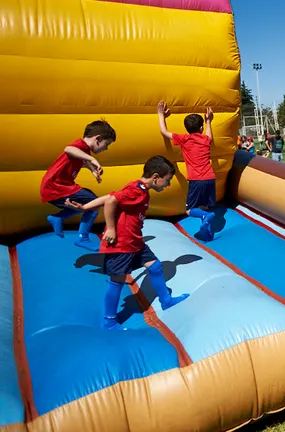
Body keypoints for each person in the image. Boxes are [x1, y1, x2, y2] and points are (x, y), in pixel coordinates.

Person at [68, 156, 189, 330]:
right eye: (167, 180)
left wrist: (85, 207)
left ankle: (166, 300)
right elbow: (111, 201)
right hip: (122, 244)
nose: (167, 185)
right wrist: (110, 228)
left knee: (154, 266)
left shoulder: (139, 189)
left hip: (135, 241)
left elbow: (109, 196)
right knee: (117, 280)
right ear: (155, 177)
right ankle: (109, 321)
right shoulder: (136, 190)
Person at [40, 120, 115, 251]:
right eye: (106, 144)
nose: (106, 149)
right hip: (56, 187)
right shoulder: (79, 145)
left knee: (85, 204)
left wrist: (92, 170)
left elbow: (82, 160)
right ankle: (82, 237)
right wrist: (93, 159)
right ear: (98, 139)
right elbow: (68, 149)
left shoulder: (84, 150)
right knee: (94, 202)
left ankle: (57, 218)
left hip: (58, 187)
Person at [157, 101, 216, 240]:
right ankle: (206, 231)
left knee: (190, 210)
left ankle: (204, 217)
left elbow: (164, 132)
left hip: (196, 180)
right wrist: (209, 121)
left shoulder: (185, 139)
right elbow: (210, 136)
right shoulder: (205, 140)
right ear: (201, 128)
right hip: (210, 178)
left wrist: (161, 115)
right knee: (204, 206)